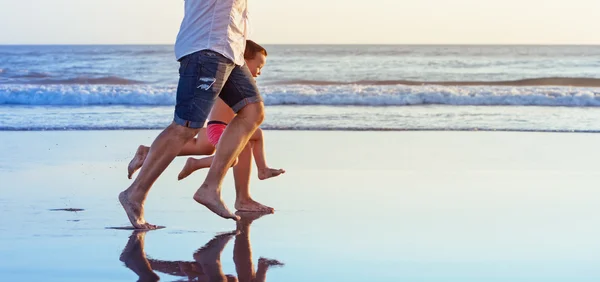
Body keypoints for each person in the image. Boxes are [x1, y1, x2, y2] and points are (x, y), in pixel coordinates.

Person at [119, 0, 265, 230]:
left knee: (252, 111)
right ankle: (134, 194)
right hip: (208, 49)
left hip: (232, 50)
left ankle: (210, 188)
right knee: (186, 127)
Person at [177, 40, 285, 181]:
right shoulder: (231, 82)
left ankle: (263, 169)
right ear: (244, 62)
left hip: (226, 127)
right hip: (217, 128)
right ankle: (196, 163)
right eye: (258, 67)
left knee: (257, 134)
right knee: (231, 159)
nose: (259, 72)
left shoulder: (239, 84)